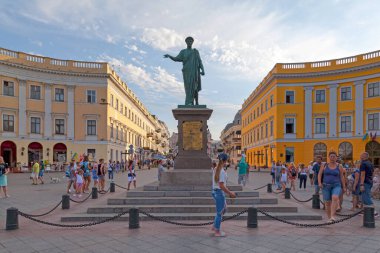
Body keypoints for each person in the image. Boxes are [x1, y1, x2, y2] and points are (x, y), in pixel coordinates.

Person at [164, 36, 205, 105]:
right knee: (188, 88)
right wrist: (169, 56)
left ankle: (196, 102)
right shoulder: (183, 52)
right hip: (187, 72)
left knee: (194, 87)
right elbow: (176, 59)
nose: (189, 42)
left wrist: (203, 70)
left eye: (191, 41)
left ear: (192, 42)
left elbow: (200, 61)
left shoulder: (195, 51)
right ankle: (190, 102)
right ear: (186, 42)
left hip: (194, 72)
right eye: (188, 41)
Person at [212, 153, 236, 237]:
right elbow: (221, 185)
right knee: (220, 212)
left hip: (215, 191)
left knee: (223, 209)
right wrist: (230, 193)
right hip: (219, 192)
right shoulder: (221, 171)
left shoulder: (216, 168)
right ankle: (217, 231)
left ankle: (215, 225)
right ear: (225, 160)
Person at [318, 151, 346, 222]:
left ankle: (333, 216)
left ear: (336, 157)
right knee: (327, 203)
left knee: (335, 197)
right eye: (331, 156)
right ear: (329, 157)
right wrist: (319, 183)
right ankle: (329, 217)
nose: (333, 158)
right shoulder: (324, 165)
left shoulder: (339, 166)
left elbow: (342, 177)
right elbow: (319, 174)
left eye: (334, 156)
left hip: (336, 185)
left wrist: (344, 186)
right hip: (325, 186)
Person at [359, 152, 379, 217]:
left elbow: (362, 174)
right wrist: (371, 180)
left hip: (365, 182)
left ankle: (375, 212)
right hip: (370, 181)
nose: (360, 156)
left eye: (361, 155)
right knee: (366, 196)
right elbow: (373, 173)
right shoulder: (370, 163)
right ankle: (365, 211)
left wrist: (361, 184)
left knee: (366, 197)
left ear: (364, 156)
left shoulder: (363, 164)